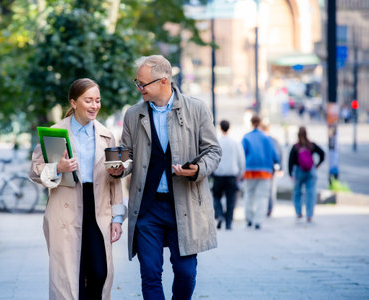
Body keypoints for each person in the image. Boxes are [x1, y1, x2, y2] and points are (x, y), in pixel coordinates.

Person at [108, 55, 221, 299]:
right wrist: (120, 167)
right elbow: (128, 154)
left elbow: (213, 151)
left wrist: (198, 169)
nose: (139, 89)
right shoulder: (132, 115)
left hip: (185, 205)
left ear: (163, 81)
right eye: (137, 83)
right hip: (147, 208)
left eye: (143, 84)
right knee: (150, 274)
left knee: (185, 273)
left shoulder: (196, 109)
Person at [29, 78, 126, 300]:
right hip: (65, 210)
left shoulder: (106, 134)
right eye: (88, 100)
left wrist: (118, 219)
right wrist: (57, 168)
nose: (94, 106)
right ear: (74, 103)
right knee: (71, 278)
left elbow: (115, 181)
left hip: (98, 209)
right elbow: (35, 173)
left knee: (100, 273)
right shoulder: (54, 133)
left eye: (97, 100)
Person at [242, 115, 279, 230]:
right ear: (260, 123)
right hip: (265, 171)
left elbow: (242, 153)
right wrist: (277, 164)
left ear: (251, 123)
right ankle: (258, 221)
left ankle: (249, 219)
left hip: (249, 170)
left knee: (249, 194)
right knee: (262, 197)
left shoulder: (246, 137)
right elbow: (275, 155)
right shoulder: (267, 138)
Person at [212, 120, 245, 230]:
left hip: (218, 175)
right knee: (231, 200)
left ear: (220, 128)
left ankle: (220, 214)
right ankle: (229, 223)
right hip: (232, 175)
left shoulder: (217, 142)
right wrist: (240, 173)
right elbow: (241, 160)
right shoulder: (235, 143)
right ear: (229, 128)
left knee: (216, 196)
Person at [288, 126, 325, 223]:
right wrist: (317, 165)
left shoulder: (296, 147)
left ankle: (299, 212)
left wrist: (290, 174)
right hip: (311, 171)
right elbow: (322, 154)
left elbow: (290, 161)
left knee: (297, 192)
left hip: (299, 171)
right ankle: (309, 215)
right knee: (310, 193)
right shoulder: (311, 145)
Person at [260, 121, 283, 217]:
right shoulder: (273, 140)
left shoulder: (261, 140)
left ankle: (263, 208)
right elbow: (278, 154)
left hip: (261, 168)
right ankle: (269, 209)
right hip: (271, 169)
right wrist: (280, 168)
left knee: (262, 190)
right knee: (271, 190)